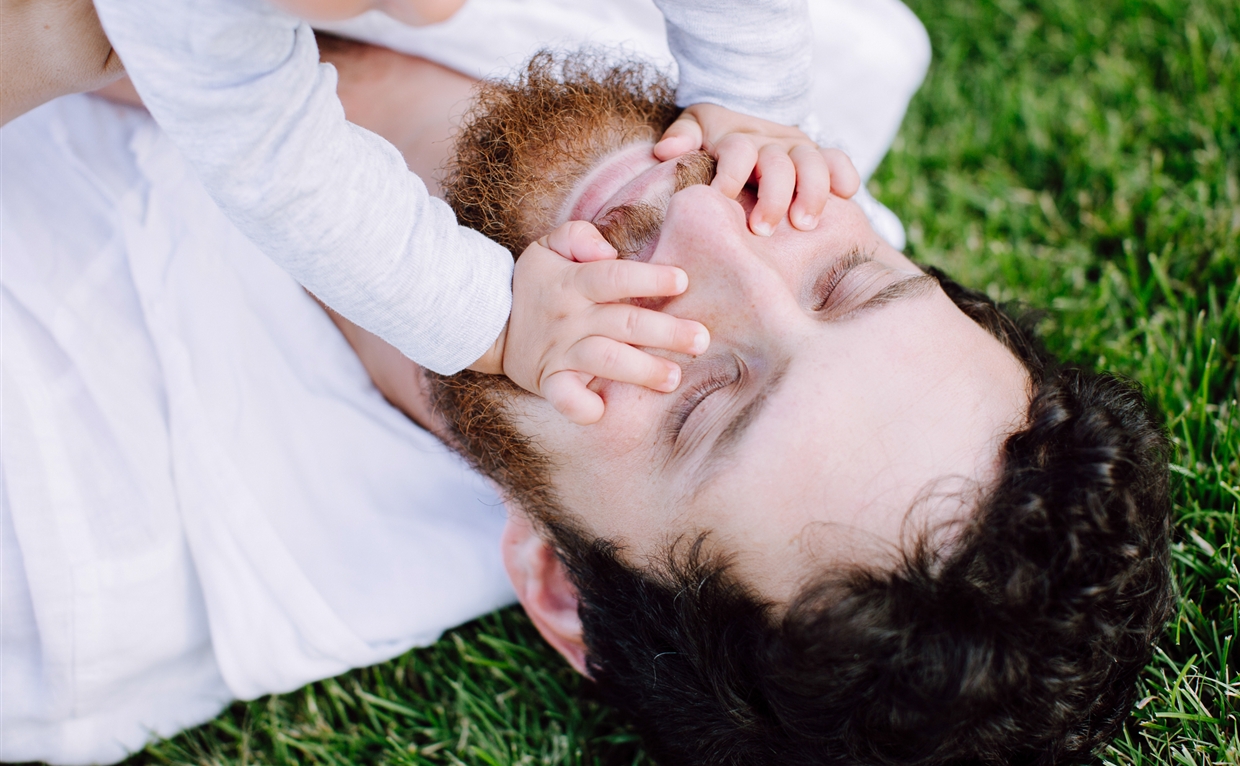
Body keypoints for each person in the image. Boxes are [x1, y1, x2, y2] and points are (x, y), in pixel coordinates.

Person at [348, 51, 1169, 765]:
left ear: (561, 582)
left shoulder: (226, 545)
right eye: (848, 283)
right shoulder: (822, 15)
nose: (701, 218)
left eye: (700, 400)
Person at [66, 0, 860, 426]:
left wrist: (751, 94)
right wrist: (492, 320)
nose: (439, 1)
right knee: (83, 37)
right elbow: (275, 162)